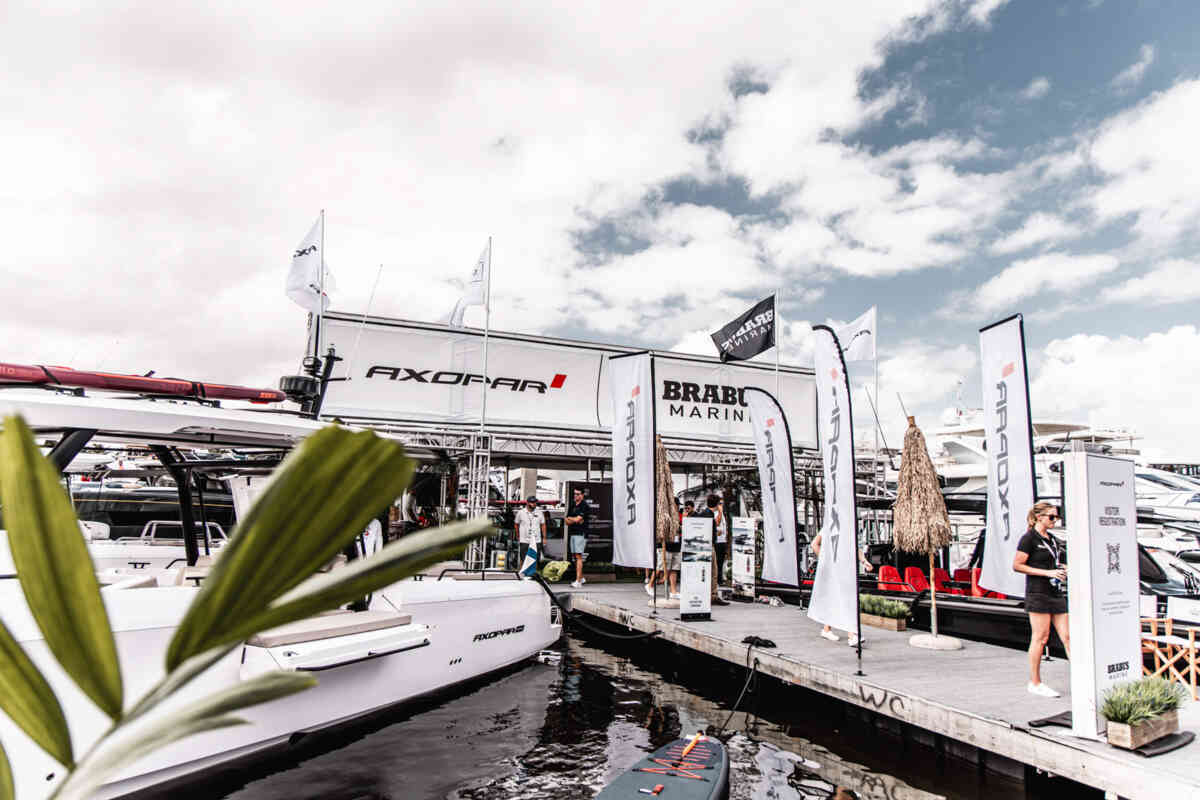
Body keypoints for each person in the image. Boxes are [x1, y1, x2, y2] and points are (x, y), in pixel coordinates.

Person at [1014, 501, 1070, 697]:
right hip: (1038, 592)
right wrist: (1047, 573)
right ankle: (1035, 682)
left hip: (1055, 592)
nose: (1055, 520)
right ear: (1039, 517)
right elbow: (1017, 565)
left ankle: (1082, 678)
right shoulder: (1028, 538)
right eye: (1052, 517)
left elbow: (1054, 562)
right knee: (1041, 637)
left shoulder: (1053, 539)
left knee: (1068, 637)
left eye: (1057, 517)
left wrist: (1062, 569)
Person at [811, 530, 874, 646]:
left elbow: (855, 548)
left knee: (838, 599)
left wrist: (864, 561)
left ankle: (826, 629)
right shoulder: (829, 526)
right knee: (846, 600)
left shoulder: (848, 526)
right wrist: (827, 561)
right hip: (835, 570)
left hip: (846, 570)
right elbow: (814, 544)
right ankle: (852, 635)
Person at [693, 495, 729, 605]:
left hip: (706, 544)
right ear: (717, 504)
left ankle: (711, 594)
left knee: (711, 571)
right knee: (713, 571)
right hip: (709, 545)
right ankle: (713, 595)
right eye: (720, 504)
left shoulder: (705, 513)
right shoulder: (709, 514)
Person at [566, 487, 590, 588]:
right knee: (575, 557)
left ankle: (578, 581)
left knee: (578, 556)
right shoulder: (572, 504)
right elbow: (566, 521)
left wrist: (573, 519)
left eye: (578, 494)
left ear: (582, 495)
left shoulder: (584, 505)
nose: (575, 495)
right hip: (573, 533)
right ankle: (581, 577)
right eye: (574, 494)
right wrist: (574, 519)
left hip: (581, 533)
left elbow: (578, 519)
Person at [513, 495, 545, 567]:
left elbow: (543, 525)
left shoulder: (539, 513)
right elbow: (516, 524)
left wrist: (544, 538)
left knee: (536, 558)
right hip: (524, 540)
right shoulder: (521, 512)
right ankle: (522, 572)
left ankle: (534, 572)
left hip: (537, 540)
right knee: (523, 558)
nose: (534, 504)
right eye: (532, 502)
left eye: (535, 502)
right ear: (527, 503)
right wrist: (518, 535)